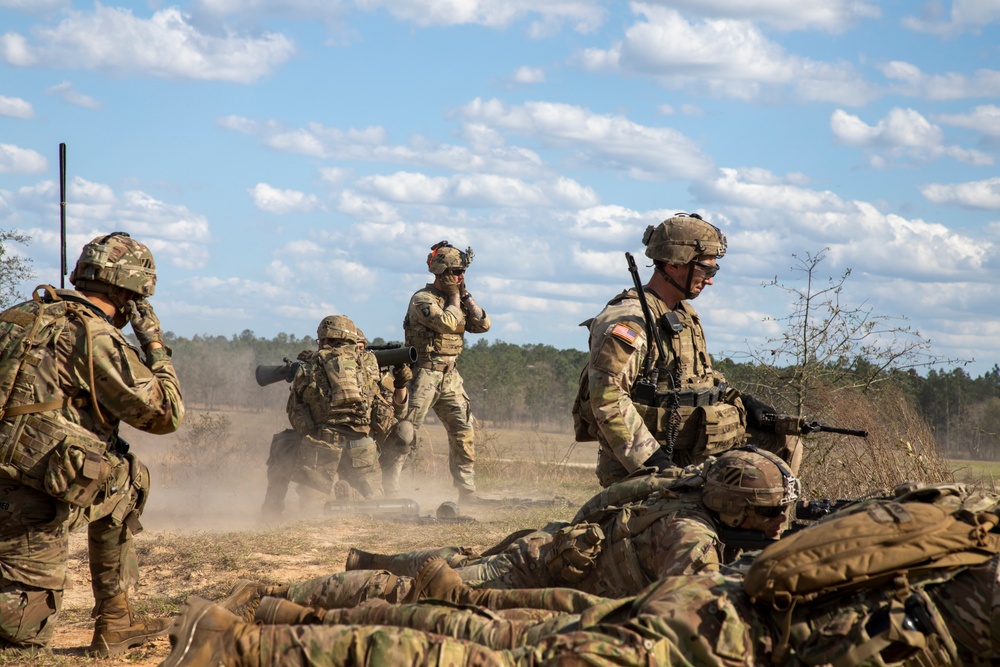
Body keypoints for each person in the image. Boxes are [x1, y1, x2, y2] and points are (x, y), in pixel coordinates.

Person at [161, 486, 1000, 666]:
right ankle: (243, 643)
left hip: (685, 611)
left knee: (492, 621)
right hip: (710, 635)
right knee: (481, 632)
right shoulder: (693, 526)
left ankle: (259, 617)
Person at [216, 447, 799, 618]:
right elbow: (689, 610)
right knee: (421, 593)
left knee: (454, 561)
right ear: (735, 507)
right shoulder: (691, 534)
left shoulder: (685, 483)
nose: (779, 525)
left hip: (550, 548)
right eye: (770, 513)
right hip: (535, 567)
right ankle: (267, 599)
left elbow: (602, 501)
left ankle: (367, 558)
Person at [0, 232, 184, 657]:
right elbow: (165, 414)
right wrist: (153, 344)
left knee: (125, 479)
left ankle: (116, 624)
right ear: (131, 294)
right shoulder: (96, 336)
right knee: (19, 646)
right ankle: (113, 621)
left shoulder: (16, 317)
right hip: (30, 501)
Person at [576, 212, 801, 488]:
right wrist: (654, 463)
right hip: (648, 465)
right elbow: (608, 398)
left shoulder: (684, 314)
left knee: (785, 442)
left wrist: (745, 403)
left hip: (694, 450)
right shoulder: (630, 318)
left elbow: (696, 380)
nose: (710, 280)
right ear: (673, 264)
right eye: (707, 269)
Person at [261, 316, 411, 518]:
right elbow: (386, 416)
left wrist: (312, 430)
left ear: (327, 340)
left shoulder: (308, 368)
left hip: (321, 449)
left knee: (310, 512)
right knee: (375, 509)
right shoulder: (371, 368)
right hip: (362, 451)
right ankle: (355, 497)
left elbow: (295, 413)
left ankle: (271, 510)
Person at [397, 241, 490, 501]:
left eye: (463, 272)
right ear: (442, 273)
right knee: (405, 433)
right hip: (424, 374)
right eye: (457, 272)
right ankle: (389, 488)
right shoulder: (423, 299)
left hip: (450, 376)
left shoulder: (458, 298)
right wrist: (454, 298)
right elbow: (447, 323)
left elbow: (483, 325)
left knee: (463, 430)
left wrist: (465, 296)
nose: (461, 277)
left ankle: (466, 491)